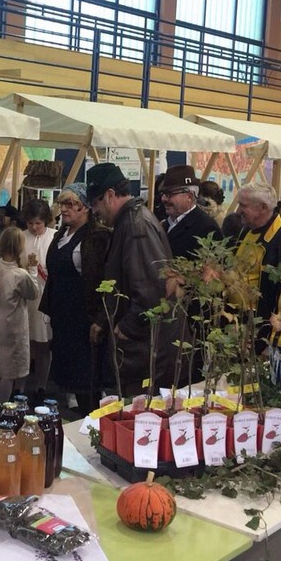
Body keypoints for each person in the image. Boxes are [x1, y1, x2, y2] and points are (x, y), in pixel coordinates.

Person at [87, 163, 175, 395]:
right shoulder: (129, 222)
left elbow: (152, 290)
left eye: (95, 204)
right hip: (140, 350)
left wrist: (127, 328)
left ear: (110, 195)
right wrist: (104, 320)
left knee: (139, 412)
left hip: (144, 353)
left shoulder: (137, 228)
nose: (95, 212)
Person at [41, 184, 110, 414]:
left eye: (71, 204)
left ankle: (93, 420)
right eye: (62, 204)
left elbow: (102, 280)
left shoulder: (97, 237)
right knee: (69, 376)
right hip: (63, 315)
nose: (64, 209)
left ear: (86, 208)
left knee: (86, 379)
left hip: (83, 317)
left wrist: (100, 319)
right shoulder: (61, 234)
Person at [233, 183, 281, 353]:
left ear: (263, 208)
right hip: (240, 328)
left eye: (243, 205)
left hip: (264, 335)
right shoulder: (246, 231)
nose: (238, 211)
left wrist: (274, 342)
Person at [0, 227, 39, 401]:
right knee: (9, 371)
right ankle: (4, 404)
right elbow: (33, 293)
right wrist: (33, 270)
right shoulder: (20, 275)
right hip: (13, 328)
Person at [21, 199, 54, 401]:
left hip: (45, 294)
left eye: (38, 223)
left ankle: (41, 385)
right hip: (25, 296)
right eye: (30, 223)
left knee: (43, 343)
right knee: (24, 343)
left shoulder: (54, 237)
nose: (34, 227)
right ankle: (20, 386)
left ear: (46, 221)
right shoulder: (21, 238)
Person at [160, 165, 222, 260]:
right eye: (163, 193)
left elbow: (214, 266)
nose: (163, 199)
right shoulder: (165, 224)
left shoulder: (206, 228)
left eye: (169, 194)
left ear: (189, 196)